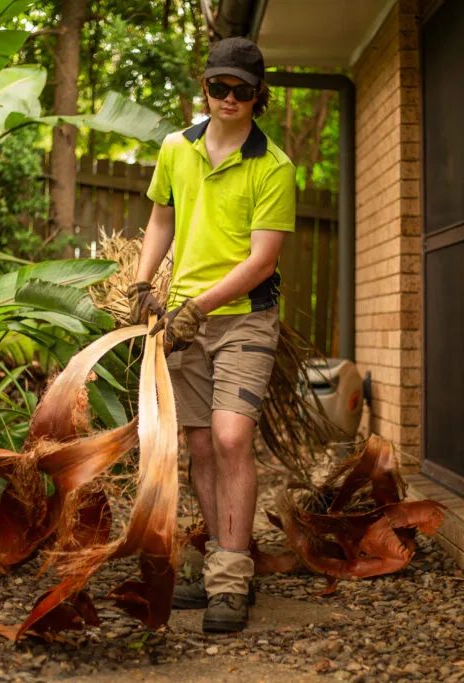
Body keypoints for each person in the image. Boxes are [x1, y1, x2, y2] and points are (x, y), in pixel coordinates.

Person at [127, 37, 295, 633]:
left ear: (258, 95)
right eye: (219, 87)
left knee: (230, 438)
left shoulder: (274, 167)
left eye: (241, 90)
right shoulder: (176, 148)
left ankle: (231, 583)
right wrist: (142, 281)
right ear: (205, 87)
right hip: (183, 321)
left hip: (245, 318)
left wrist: (197, 308)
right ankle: (221, 562)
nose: (229, 98)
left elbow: (263, 262)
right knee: (200, 446)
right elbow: (162, 217)